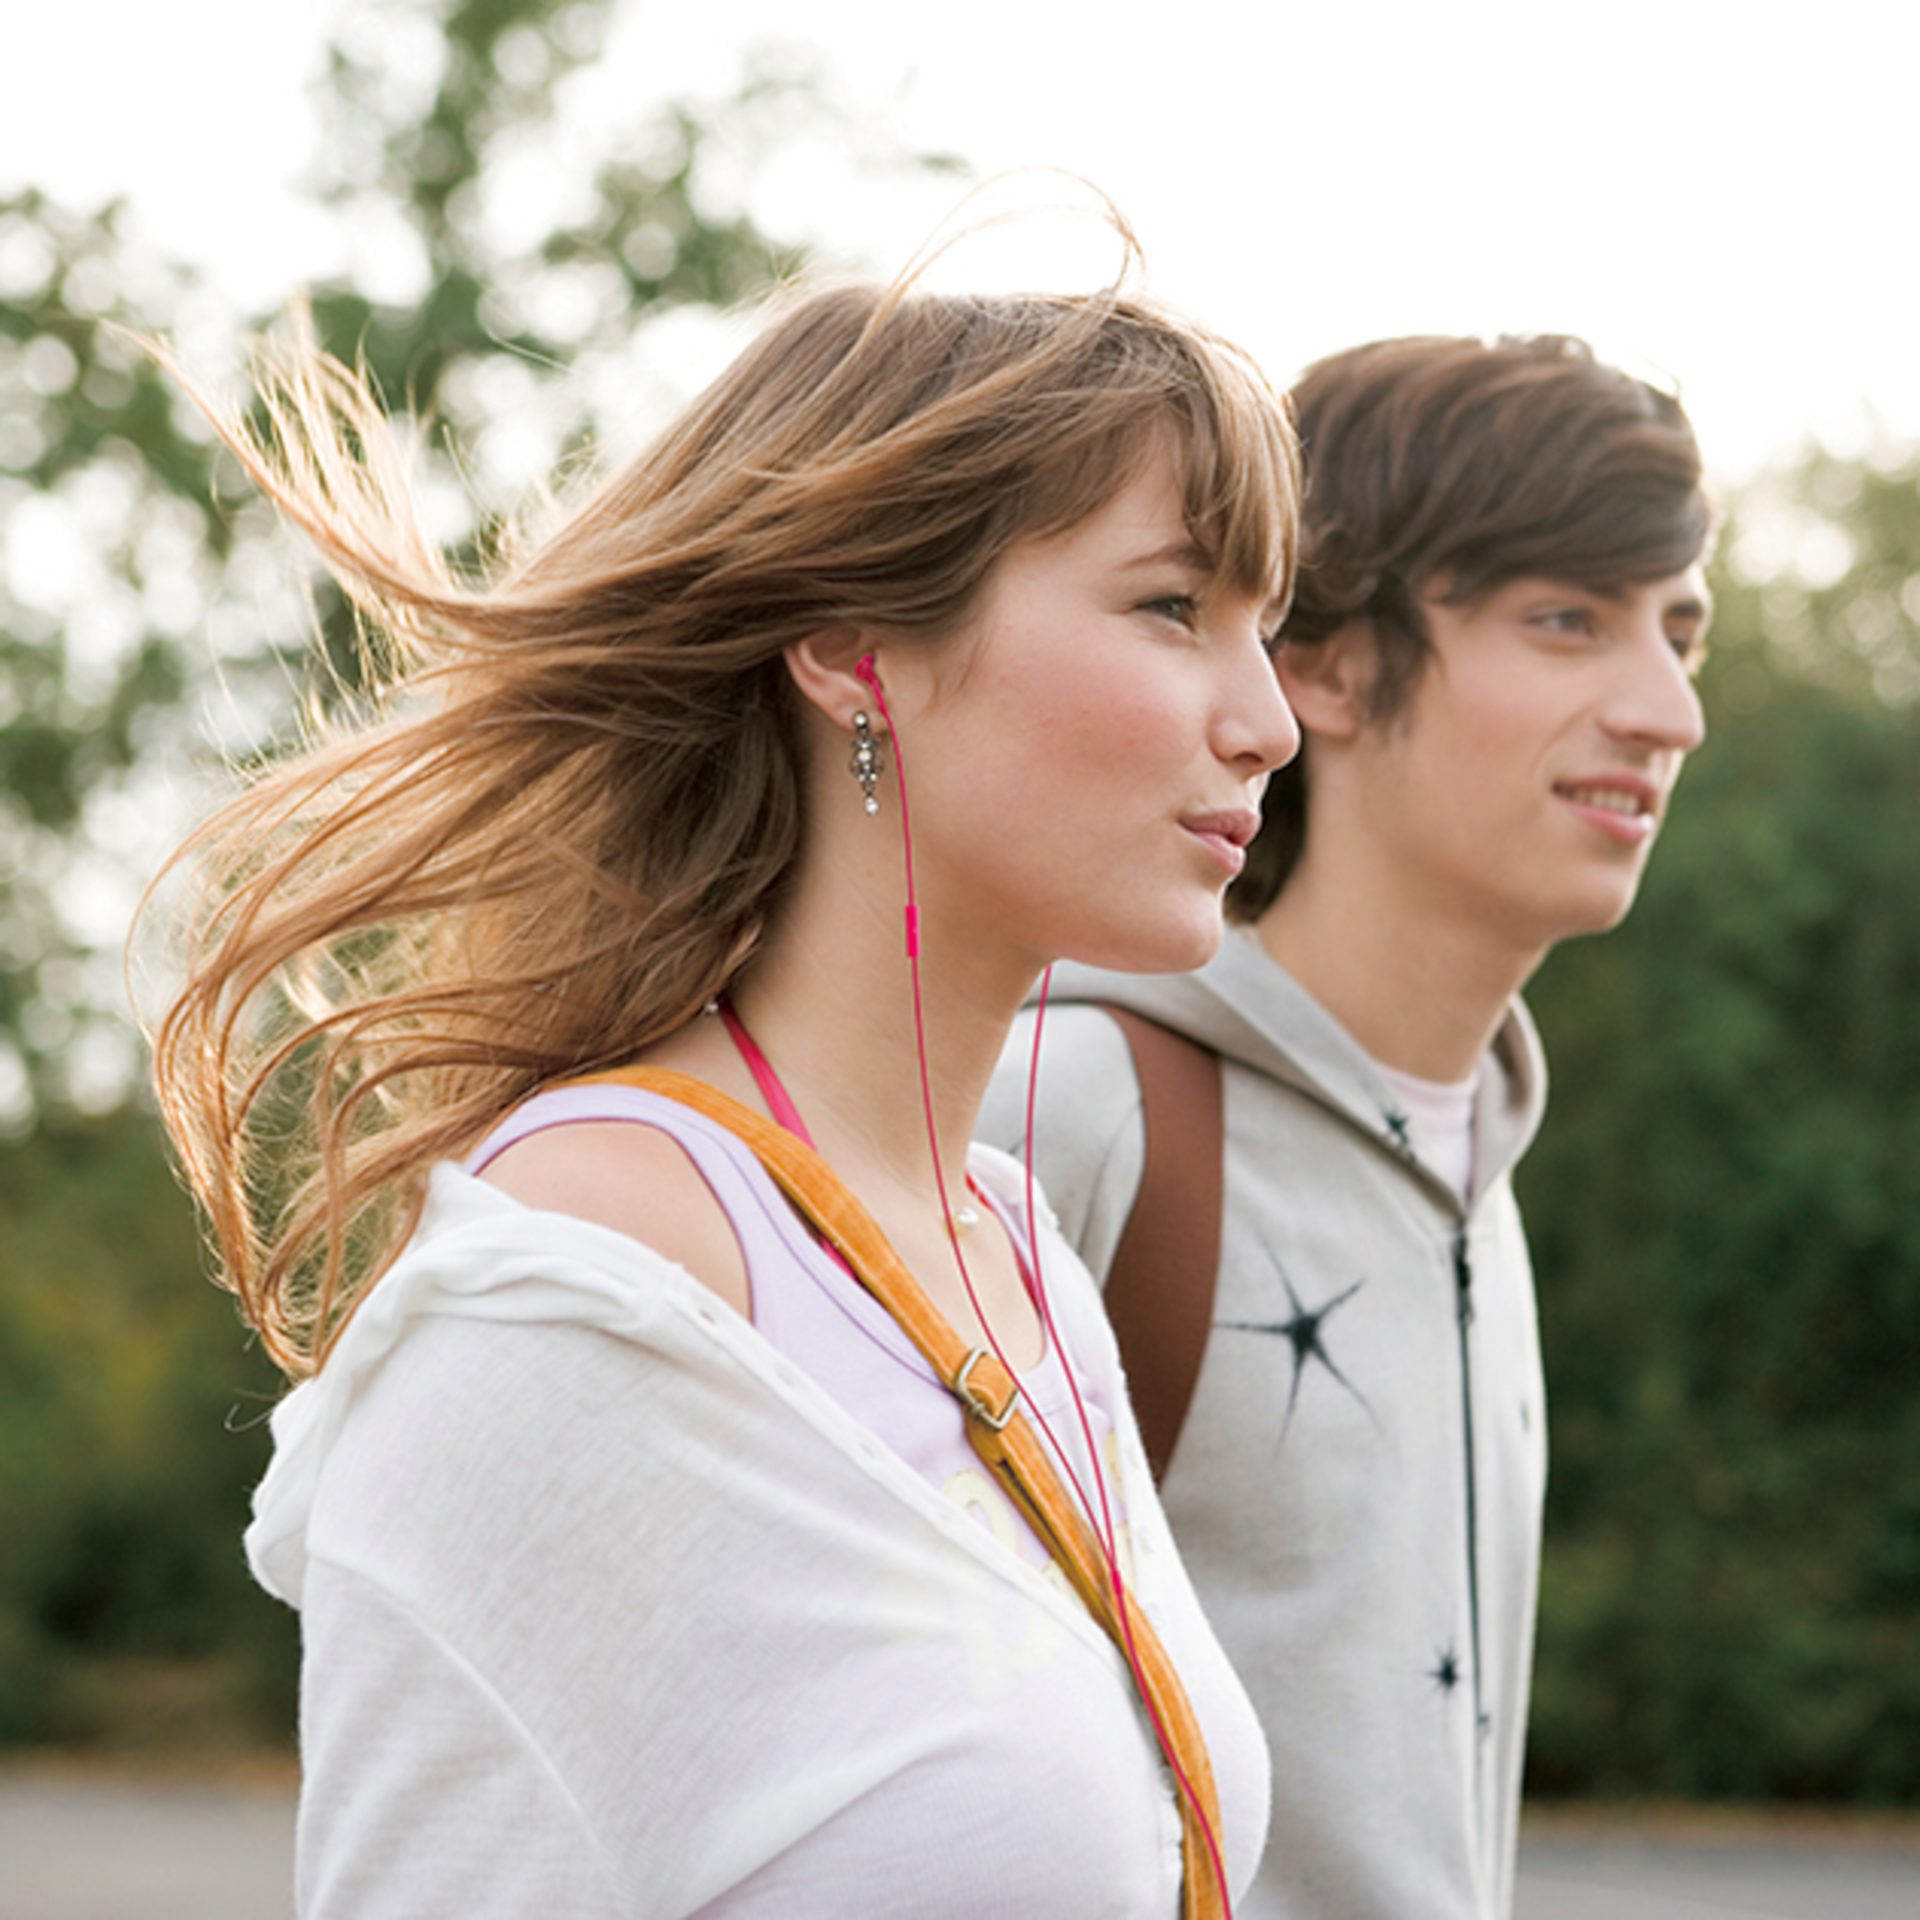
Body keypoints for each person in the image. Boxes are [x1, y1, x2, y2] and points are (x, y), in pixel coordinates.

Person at [141, 262, 1307, 1918]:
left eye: (1267, 628)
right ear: (850, 645)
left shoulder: (1017, 1246)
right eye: (1173, 606)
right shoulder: (587, 1268)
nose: (1265, 720)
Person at [982, 333, 1714, 1920]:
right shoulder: (1073, 1107)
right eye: (1567, 620)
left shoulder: (1483, 1170)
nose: (1667, 710)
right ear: (1319, 664)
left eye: (1682, 631)